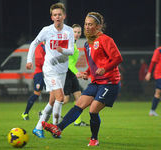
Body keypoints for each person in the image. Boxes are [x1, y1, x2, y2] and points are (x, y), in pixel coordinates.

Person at [42, 11, 123, 146]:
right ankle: (58, 128)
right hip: (96, 82)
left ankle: (94, 139)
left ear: (98, 26)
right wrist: (86, 73)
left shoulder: (106, 40)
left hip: (109, 82)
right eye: (85, 24)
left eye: (90, 24)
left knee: (93, 110)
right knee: (79, 104)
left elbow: (118, 58)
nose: (86, 27)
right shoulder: (87, 44)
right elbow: (93, 64)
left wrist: (105, 68)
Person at [26, 2, 74, 138]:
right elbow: (34, 43)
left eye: (59, 14)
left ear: (64, 16)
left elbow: (71, 51)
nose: (57, 17)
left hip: (62, 70)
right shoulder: (47, 30)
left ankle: (38, 128)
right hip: (49, 70)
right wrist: (30, 60)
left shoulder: (69, 31)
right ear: (51, 17)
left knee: (52, 101)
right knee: (60, 98)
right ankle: (55, 129)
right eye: (55, 15)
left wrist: (62, 50)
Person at [63, 24, 89, 126]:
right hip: (67, 73)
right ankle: (44, 112)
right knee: (65, 99)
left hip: (72, 74)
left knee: (79, 98)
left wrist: (77, 73)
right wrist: (77, 72)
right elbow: (69, 63)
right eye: (75, 32)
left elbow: (71, 63)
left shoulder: (73, 44)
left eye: (79, 32)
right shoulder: (69, 44)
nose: (77, 34)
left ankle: (77, 121)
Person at [22, 42, 45, 120]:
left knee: (55, 94)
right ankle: (25, 113)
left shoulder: (52, 45)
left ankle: (44, 112)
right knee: (36, 94)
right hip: (40, 73)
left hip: (50, 73)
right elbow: (38, 61)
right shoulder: (40, 46)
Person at [145, 46, 161, 116]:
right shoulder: (159, 50)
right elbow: (153, 62)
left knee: (158, 92)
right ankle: (152, 111)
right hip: (159, 74)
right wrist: (149, 72)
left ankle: (152, 111)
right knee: (158, 92)